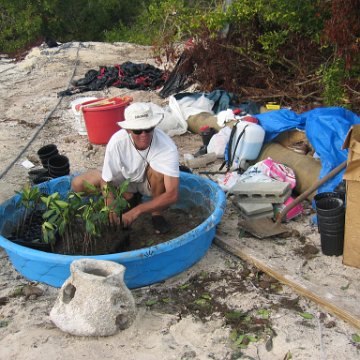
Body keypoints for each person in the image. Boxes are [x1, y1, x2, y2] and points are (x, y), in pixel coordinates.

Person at [71, 102, 180, 234]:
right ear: (128, 130)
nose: (144, 134)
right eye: (138, 130)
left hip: (148, 181)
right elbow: (106, 180)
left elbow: (172, 195)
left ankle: (156, 213)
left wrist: (138, 210)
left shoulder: (167, 146)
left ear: (154, 125)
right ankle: (128, 195)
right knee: (78, 185)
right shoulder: (117, 142)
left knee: (157, 172)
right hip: (125, 178)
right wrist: (110, 204)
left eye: (149, 128)